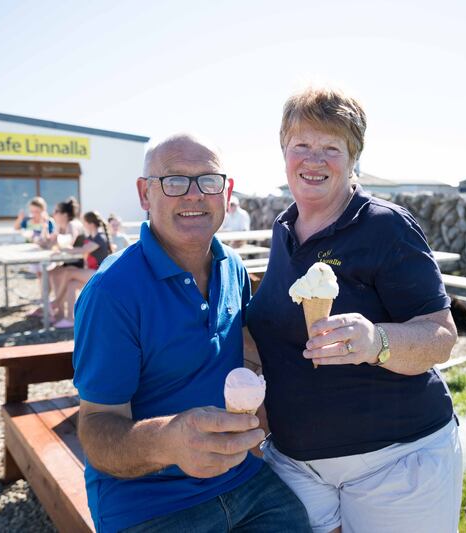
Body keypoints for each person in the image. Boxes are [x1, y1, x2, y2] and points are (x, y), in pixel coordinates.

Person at [246, 87, 462, 533]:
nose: (314, 160)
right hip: (297, 466)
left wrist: (377, 341)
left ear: (353, 157)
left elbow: (441, 335)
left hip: (396, 464)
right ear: (283, 150)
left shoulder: (385, 225)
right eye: (301, 145)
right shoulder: (283, 230)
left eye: (331, 148)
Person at [72, 133, 311, 532]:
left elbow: (244, 341)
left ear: (226, 190)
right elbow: (96, 431)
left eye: (208, 180)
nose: (194, 195)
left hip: (242, 479)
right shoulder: (112, 291)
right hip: (148, 504)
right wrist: (169, 440)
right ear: (144, 194)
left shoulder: (231, 266)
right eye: (175, 181)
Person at [50, 210, 112, 329]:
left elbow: (81, 250)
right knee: (71, 284)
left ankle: (56, 302)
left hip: (100, 275)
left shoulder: (99, 238)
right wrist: (64, 249)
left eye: (84, 222)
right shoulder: (91, 237)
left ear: (91, 224)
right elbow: (79, 249)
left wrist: (63, 250)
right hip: (92, 272)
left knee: (69, 272)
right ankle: (70, 319)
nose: (82, 225)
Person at [28, 197, 85, 320]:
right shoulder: (60, 226)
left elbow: (68, 242)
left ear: (64, 214)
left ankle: (54, 307)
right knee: (48, 274)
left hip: (78, 263)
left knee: (54, 274)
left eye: (56, 212)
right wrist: (43, 236)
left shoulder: (72, 225)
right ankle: (51, 307)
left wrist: (54, 241)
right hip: (68, 262)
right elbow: (50, 244)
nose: (53, 214)